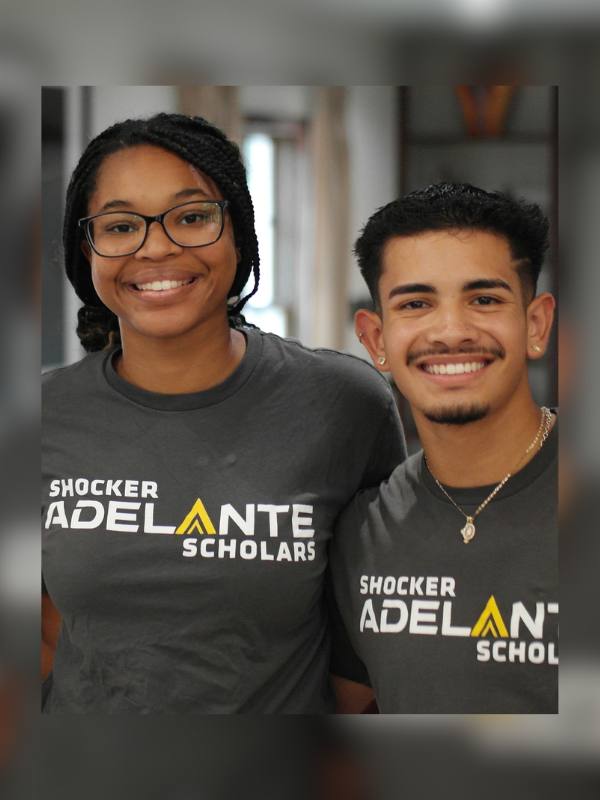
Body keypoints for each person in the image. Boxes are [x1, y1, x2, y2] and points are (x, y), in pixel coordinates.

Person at [41, 113, 406, 713]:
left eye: (192, 217)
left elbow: (374, 622)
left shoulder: (345, 403)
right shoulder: (43, 416)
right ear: (88, 250)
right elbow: (45, 628)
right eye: (120, 225)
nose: (156, 247)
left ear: (238, 230)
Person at [330, 183, 558, 713]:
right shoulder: (361, 534)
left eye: (484, 299)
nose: (451, 331)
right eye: (416, 303)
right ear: (375, 341)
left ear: (535, 323)